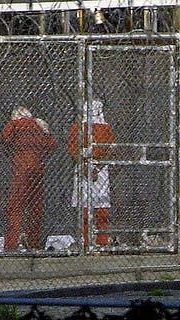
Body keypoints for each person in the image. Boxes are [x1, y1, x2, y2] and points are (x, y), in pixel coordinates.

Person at [2, 106, 57, 251]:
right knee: (35, 207)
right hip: (38, 170)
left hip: (21, 170)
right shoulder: (39, 125)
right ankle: (34, 242)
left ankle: (12, 244)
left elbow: (5, 139)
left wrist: (12, 151)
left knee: (15, 207)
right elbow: (52, 145)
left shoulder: (14, 124)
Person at [68, 99, 116, 249]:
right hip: (100, 171)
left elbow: (73, 149)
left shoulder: (77, 127)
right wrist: (98, 168)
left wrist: (84, 166)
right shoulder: (106, 128)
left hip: (84, 168)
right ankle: (101, 241)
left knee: (85, 204)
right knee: (101, 205)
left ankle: (86, 242)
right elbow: (110, 150)